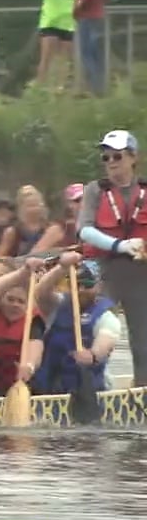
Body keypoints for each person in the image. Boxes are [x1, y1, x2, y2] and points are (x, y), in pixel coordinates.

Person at [76, 129, 147, 385]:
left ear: (132, 157)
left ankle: (143, 393)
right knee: (99, 329)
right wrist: (119, 245)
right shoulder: (95, 190)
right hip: (104, 270)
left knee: (142, 343)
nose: (111, 163)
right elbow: (84, 229)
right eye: (106, 158)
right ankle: (96, 386)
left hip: (141, 275)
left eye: (117, 156)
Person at [33, 252, 120, 394]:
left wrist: (92, 355)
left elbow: (106, 341)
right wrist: (63, 267)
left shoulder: (107, 317)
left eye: (87, 285)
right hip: (50, 388)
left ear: (99, 286)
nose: (81, 290)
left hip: (89, 390)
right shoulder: (58, 304)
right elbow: (41, 292)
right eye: (77, 284)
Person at [0, 261, 47, 397]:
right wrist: (24, 271)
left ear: (27, 304)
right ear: (1, 300)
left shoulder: (33, 321)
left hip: (17, 390)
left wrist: (29, 366)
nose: (15, 305)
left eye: (20, 301)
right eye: (10, 299)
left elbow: (35, 346)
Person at [75, 0, 113, 96]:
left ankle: (95, 86)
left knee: (87, 53)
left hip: (88, 18)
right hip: (97, 17)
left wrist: (74, 10)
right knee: (95, 54)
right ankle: (99, 85)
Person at [37, 0, 78, 87]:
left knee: (64, 60)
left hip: (69, 24)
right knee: (47, 58)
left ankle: (60, 89)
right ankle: (39, 89)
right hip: (51, 23)